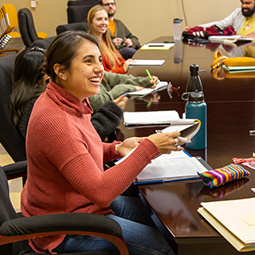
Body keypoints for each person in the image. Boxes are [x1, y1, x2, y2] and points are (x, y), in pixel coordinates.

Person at [21, 30, 184, 254]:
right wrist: (150, 148)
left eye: (99, 59)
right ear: (61, 71)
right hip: (62, 226)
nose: (100, 69)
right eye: (88, 61)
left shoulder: (67, 99)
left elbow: (76, 152)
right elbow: (101, 192)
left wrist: (115, 148)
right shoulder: (58, 121)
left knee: (154, 213)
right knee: (162, 247)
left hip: (78, 205)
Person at [9, 47, 127, 141]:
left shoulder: (23, 100)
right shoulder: (41, 104)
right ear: (40, 75)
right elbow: (81, 138)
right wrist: (109, 113)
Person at [87, 4, 134, 74]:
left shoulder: (106, 41)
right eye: (99, 19)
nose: (104, 23)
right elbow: (103, 74)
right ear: (91, 23)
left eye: (106, 19)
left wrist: (127, 63)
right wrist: (123, 69)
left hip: (121, 77)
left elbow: (120, 60)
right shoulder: (92, 46)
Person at [184, 0, 255, 38]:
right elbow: (220, 24)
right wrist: (196, 27)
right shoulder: (238, 12)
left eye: (247, 3)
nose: (243, 6)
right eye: (242, 3)